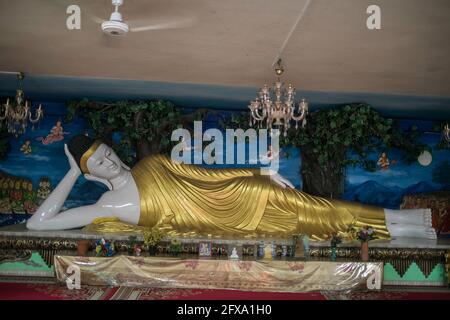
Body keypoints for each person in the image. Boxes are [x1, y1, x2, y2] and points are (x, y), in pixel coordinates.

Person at [26, 135, 436, 240]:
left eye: (108, 152)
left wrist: (259, 175)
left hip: (245, 195)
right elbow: (39, 225)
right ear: (92, 173)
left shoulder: (151, 164)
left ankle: (409, 221)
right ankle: (410, 225)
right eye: (98, 162)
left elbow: (205, 176)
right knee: (320, 223)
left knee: (322, 208)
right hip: (238, 226)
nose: (110, 161)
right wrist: (69, 173)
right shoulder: (106, 204)